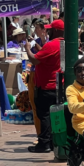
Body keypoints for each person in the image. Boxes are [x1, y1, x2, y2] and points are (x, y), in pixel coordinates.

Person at [24, 19, 64, 153]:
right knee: (55, 115)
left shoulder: (52, 45)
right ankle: (54, 142)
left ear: (56, 31)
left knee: (44, 115)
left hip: (47, 85)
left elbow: (35, 60)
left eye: (50, 29)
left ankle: (44, 144)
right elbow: (47, 56)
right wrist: (37, 45)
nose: (47, 31)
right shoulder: (63, 44)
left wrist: (28, 49)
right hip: (59, 85)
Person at [27, 19, 48, 138]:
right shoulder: (38, 40)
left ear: (43, 29)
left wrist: (34, 44)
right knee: (35, 105)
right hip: (35, 73)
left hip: (44, 76)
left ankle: (44, 135)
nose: (35, 30)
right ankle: (39, 134)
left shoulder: (48, 42)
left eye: (37, 28)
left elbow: (44, 54)